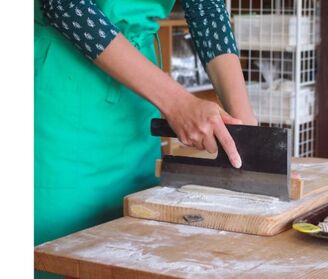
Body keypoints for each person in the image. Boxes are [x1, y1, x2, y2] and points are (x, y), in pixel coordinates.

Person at [35, 0, 256, 277]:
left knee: (134, 247)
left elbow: (206, 8)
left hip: (139, 96)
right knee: (59, 249)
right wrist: (176, 103)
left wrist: (246, 128)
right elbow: (65, 6)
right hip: (63, 90)